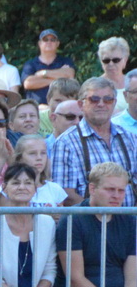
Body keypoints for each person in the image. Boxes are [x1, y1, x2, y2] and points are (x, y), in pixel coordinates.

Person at [48, 76, 137, 207]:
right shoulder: (66, 142)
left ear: (114, 103)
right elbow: (65, 194)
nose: (101, 104)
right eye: (94, 99)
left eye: (108, 99)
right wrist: (102, 216)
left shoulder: (130, 138)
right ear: (80, 104)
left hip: (130, 223)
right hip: (89, 224)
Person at [11, 134, 67, 208]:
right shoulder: (10, 188)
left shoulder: (55, 190)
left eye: (43, 153)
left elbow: (61, 218)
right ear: (20, 158)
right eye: (32, 153)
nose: (39, 158)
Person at [21, 30, 75, 97]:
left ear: (57, 43)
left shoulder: (66, 61)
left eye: (52, 40)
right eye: (45, 40)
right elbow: (28, 83)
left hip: (61, 105)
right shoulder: (30, 64)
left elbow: (70, 75)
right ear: (39, 43)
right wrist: (60, 79)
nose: (49, 42)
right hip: (37, 106)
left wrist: (43, 73)